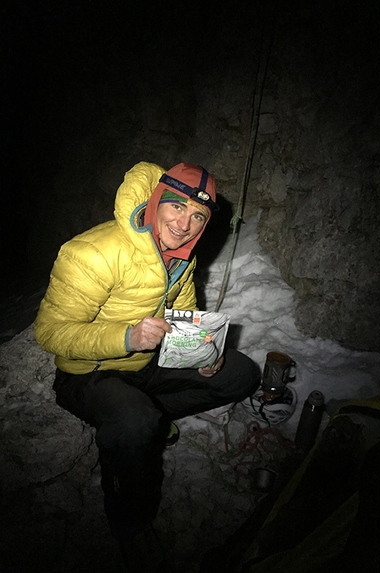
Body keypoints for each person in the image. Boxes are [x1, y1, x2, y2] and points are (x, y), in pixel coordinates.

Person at [34, 161, 260, 571]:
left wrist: (204, 354)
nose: (185, 223)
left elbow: (185, 313)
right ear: (157, 201)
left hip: (146, 365)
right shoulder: (92, 252)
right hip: (89, 373)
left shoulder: (181, 256)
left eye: (198, 216)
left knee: (241, 374)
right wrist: (126, 336)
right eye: (177, 207)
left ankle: (143, 420)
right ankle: (130, 523)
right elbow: (50, 332)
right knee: (134, 418)